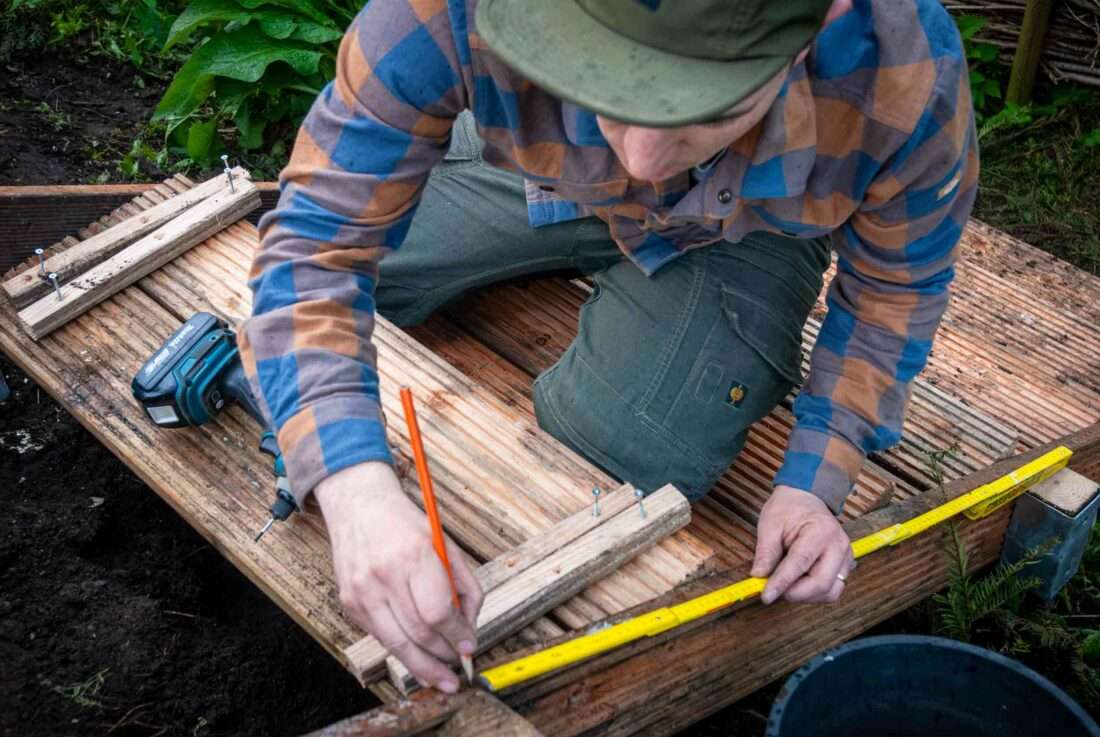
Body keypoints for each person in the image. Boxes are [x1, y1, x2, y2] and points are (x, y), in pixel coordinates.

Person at [240, 0, 978, 693]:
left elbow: (894, 293)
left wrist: (817, 481)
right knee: (354, 296)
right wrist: (354, 488)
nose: (646, 159)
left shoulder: (908, 71)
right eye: (605, 86)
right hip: (542, 175)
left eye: (710, 108)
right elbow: (318, 244)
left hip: (747, 233)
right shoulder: (448, 13)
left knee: (614, 460)